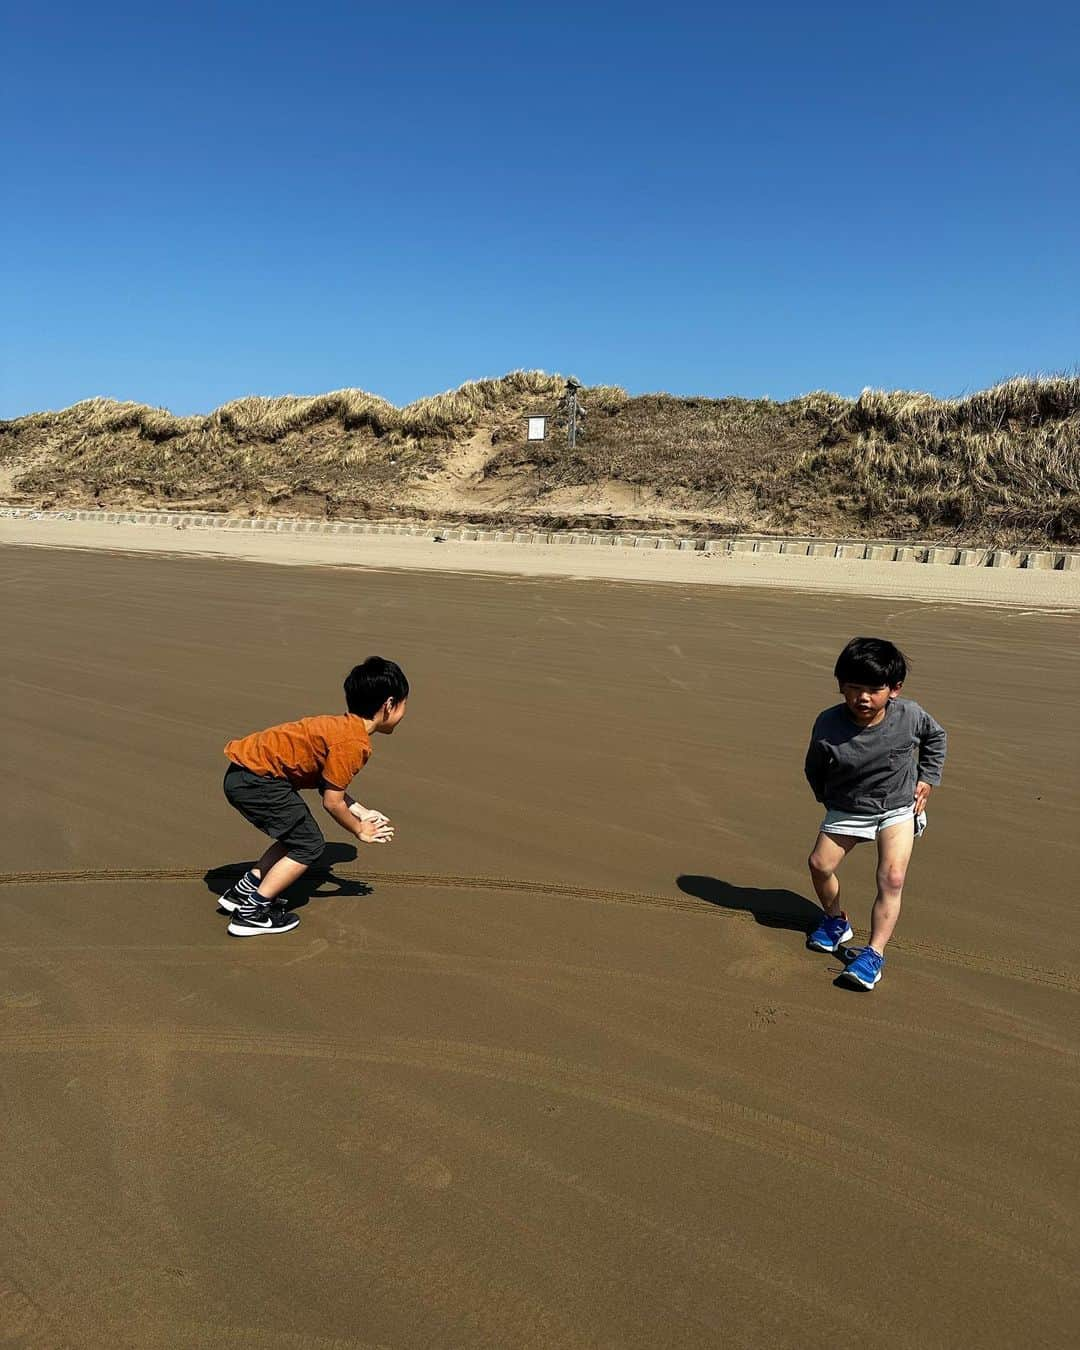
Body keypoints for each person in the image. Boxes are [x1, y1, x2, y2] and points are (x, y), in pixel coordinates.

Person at [217, 656, 408, 937]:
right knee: (309, 845)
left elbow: (328, 784)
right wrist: (359, 830)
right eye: (404, 704)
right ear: (389, 705)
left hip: (244, 774)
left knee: (296, 835)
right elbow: (332, 802)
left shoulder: (340, 726)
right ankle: (252, 913)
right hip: (257, 781)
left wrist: (361, 810)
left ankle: (241, 893)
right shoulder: (354, 743)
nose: (405, 712)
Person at [803, 637, 946, 989]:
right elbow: (814, 767)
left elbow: (936, 738)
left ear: (894, 690)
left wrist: (927, 777)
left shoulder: (910, 715)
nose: (863, 697)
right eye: (854, 688)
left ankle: (874, 954)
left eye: (874, 689)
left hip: (898, 806)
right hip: (849, 807)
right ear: (840, 686)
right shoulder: (828, 724)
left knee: (892, 878)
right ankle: (836, 921)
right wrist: (829, 798)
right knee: (820, 865)